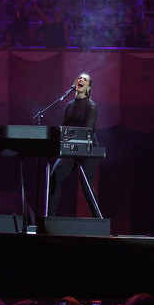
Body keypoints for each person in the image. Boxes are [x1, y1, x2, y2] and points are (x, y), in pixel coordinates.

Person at [47, 72, 100, 217]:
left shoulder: (91, 106)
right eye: (79, 78)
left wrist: (68, 136)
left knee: (86, 185)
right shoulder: (69, 105)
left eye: (85, 79)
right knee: (54, 178)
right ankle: (49, 217)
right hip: (71, 146)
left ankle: (98, 219)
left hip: (88, 148)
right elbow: (64, 127)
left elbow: (87, 129)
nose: (81, 79)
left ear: (88, 87)